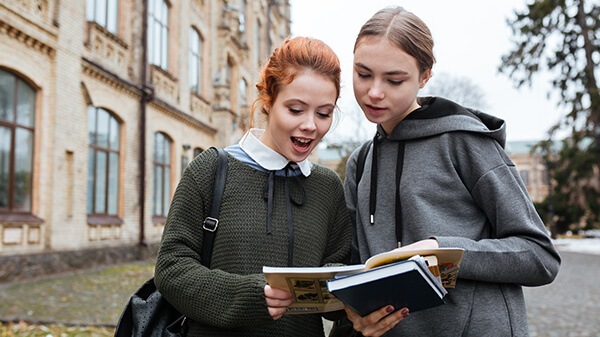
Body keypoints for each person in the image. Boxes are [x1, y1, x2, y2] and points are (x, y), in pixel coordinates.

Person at [342, 6, 561, 337]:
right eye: (363, 74)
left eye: (394, 79)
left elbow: (540, 257)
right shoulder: (359, 165)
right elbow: (357, 274)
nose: (374, 92)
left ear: (425, 76)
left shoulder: (466, 143)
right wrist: (355, 317)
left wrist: (442, 252)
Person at [154, 37, 352, 336]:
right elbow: (171, 268)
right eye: (296, 110)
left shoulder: (328, 188)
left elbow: (338, 270)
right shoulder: (211, 170)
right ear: (268, 101)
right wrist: (250, 296)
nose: (311, 125)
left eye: (324, 113)